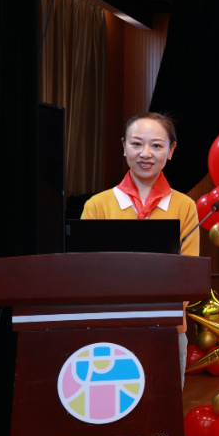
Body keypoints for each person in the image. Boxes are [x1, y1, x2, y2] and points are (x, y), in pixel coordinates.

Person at [82, 112, 199, 380]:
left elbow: (190, 274)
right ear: (124, 146)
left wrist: (158, 313)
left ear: (171, 150)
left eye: (156, 145)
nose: (145, 153)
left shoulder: (185, 206)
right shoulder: (97, 205)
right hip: (108, 328)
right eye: (136, 144)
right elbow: (86, 273)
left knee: (164, 401)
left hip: (168, 328)